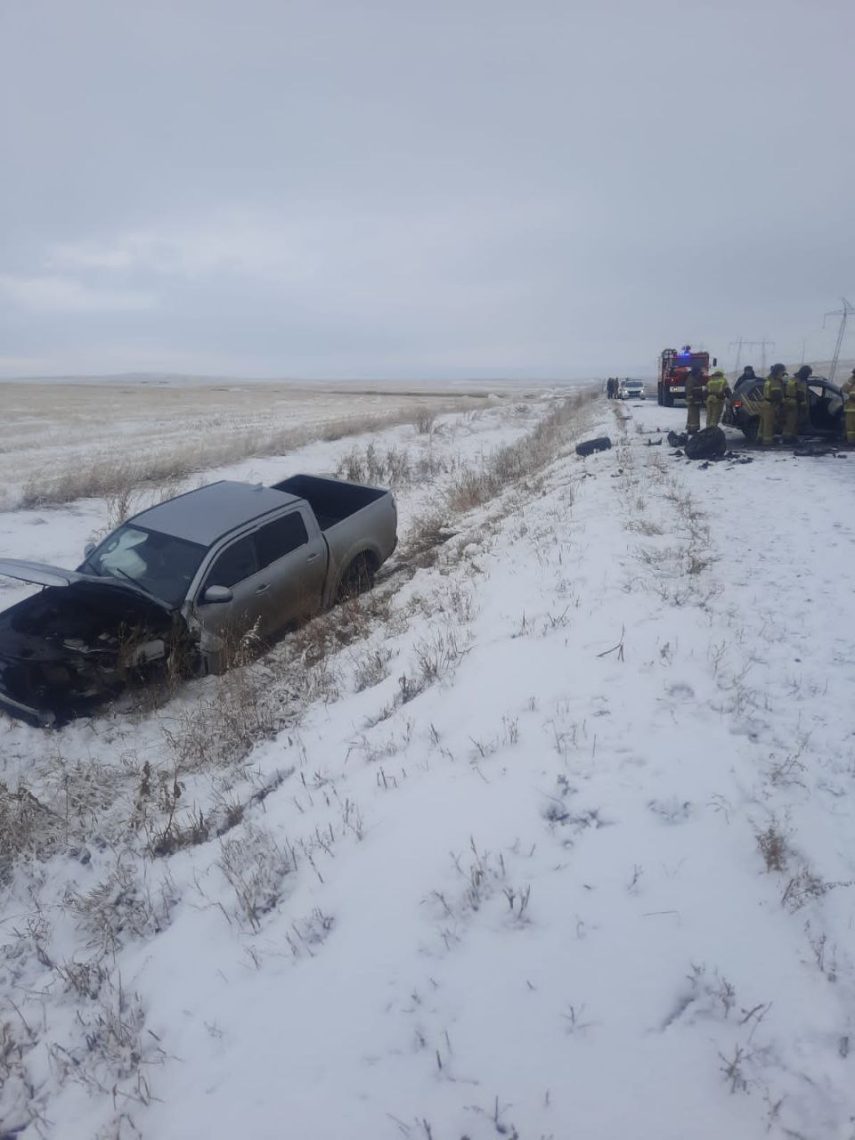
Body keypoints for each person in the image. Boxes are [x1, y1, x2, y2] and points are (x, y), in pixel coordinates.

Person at [760, 363, 787, 446]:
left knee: (762, 424)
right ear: (778, 371)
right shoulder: (775, 381)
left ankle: (759, 439)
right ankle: (768, 442)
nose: (783, 373)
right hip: (770, 404)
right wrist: (782, 402)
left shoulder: (769, 379)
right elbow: (776, 394)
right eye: (782, 371)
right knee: (769, 424)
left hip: (765, 403)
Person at [783, 364, 811, 443]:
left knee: (789, 421)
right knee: (792, 421)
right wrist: (803, 405)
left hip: (789, 401)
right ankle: (789, 438)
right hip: (795, 403)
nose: (808, 376)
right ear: (805, 373)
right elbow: (800, 393)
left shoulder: (792, 379)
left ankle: (788, 437)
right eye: (808, 374)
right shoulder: (801, 381)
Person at [685, 364, 705, 435]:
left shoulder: (693, 378)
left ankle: (690, 429)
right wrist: (692, 399)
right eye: (699, 372)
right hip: (693, 401)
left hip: (694, 400)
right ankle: (693, 430)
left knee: (691, 416)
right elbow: (689, 390)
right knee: (694, 416)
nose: (700, 374)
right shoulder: (691, 379)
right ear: (696, 372)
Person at [843, 367, 855, 447]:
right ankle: (851, 443)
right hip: (851, 409)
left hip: (851, 408)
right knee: (851, 428)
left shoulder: (850, 381)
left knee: (850, 428)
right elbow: (843, 390)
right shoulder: (850, 381)